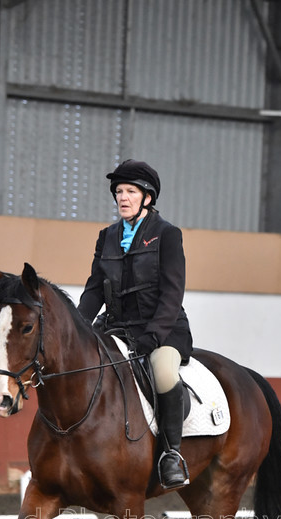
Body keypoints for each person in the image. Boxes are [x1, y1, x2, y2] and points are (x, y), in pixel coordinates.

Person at [78, 159, 193, 489]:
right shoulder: (108, 237)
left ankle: (171, 454)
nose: (122, 197)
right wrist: (78, 326)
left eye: (130, 191)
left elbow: (173, 292)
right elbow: (94, 288)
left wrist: (154, 335)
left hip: (163, 329)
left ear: (147, 197)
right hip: (116, 327)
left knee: (164, 373)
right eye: (118, 191)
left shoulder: (167, 235)